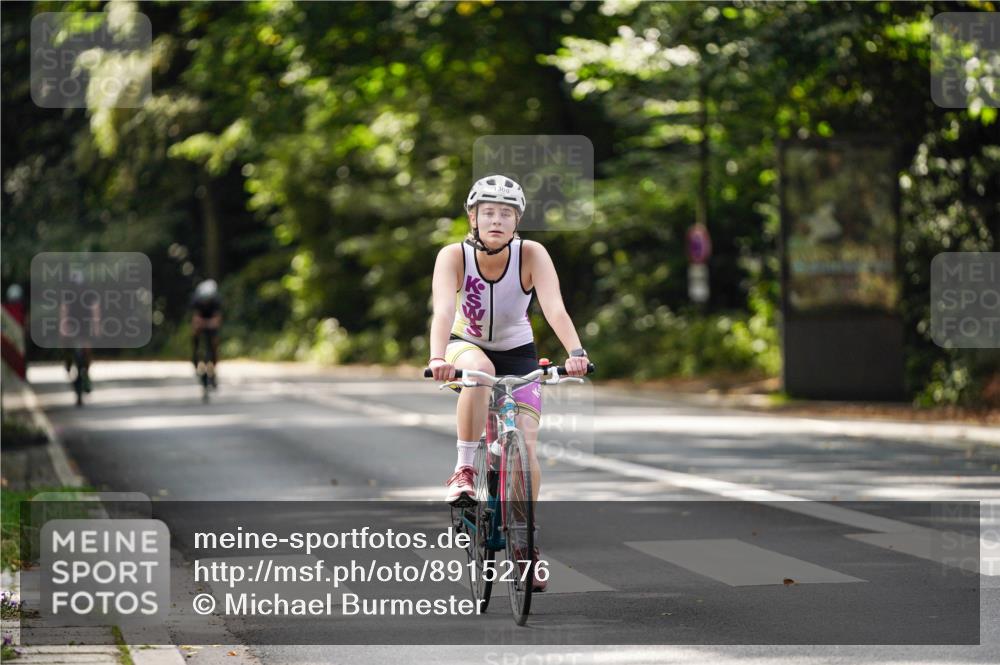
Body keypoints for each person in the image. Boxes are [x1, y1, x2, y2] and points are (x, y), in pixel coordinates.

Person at [427, 175, 590, 591]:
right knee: (479, 371)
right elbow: (444, 310)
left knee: (526, 444)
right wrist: (437, 356)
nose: (496, 220)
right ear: (473, 218)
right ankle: (464, 470)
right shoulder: (454, 256)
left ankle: (526, 546)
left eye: (506, 213)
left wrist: (575, 354)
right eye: (488, 212)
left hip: (519, 352)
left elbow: (554, 308)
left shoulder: (532, 254)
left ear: (517, 222)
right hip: (466, 345)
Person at [191, 278, 222, 388]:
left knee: (214, 344)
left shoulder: (216, 301)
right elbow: (196, 319)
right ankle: (195, 359)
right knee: (195, 337)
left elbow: (217, 321)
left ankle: (213, 371)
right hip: (202, 320)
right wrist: (201, 325)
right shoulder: (196, 300)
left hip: (210, 321)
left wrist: (208, 324)